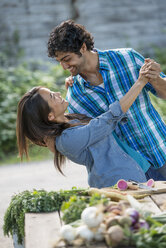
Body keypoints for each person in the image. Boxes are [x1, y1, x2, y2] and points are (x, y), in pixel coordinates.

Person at [47, 20, 166, 181]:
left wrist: (156, 79)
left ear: (82, 47)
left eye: (66, 59)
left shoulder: (127, 58)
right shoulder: (75, 96)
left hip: (161, 149)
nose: (63, 66)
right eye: (59, 61)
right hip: (133, 172)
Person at [17, 64, 152, 188]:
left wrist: (72, 86)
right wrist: (140, 83)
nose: (58, 94)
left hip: (137, 168)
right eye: (52, 96)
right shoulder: (66, 140)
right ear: (50, 116)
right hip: (120, 183)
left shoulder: (69, 121)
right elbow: (107, 121)